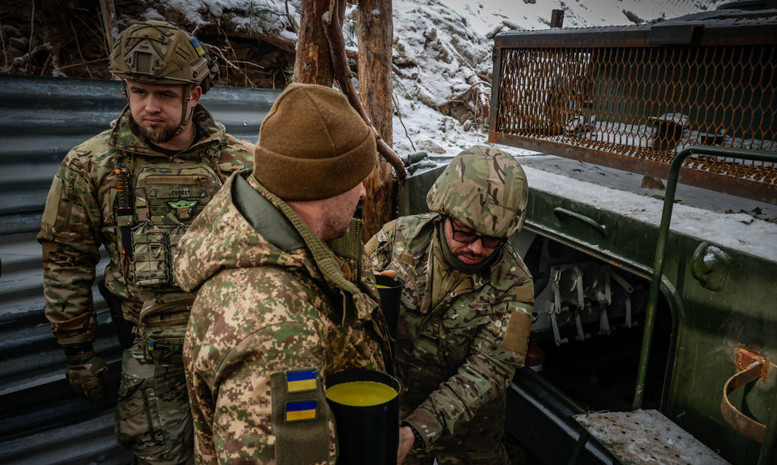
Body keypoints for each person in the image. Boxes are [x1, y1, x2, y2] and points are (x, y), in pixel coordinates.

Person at [38, 20, 255, 464]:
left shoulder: (243, 162)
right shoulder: (89, 165)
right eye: (138, 92)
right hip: (153, 357)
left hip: (233, 347)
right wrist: (79, 352)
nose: (149, 107)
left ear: (194, 95)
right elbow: (65, 263)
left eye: (164, 95)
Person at [174, 83, 393, 465]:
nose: (362, 192)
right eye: (355, 178)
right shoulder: (276, 332)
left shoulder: (270, 232)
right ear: (323, 183)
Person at [366, 146, 535, 465]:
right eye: (465, 232)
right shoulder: (398, 238)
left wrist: (416, 431)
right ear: (444, 212)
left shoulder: (515, 284)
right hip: (392, 413)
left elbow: (489, 370)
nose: (476, 248)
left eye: (491, 239)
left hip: (469, 437)